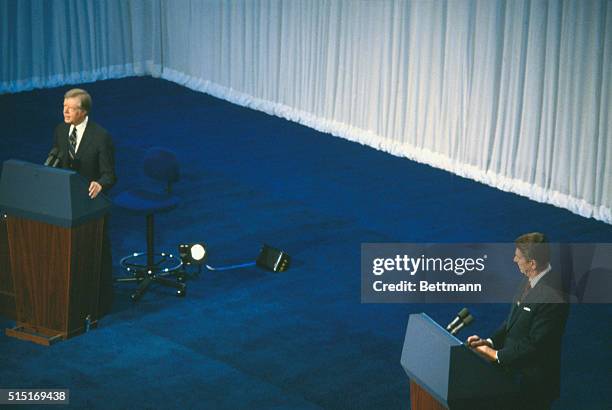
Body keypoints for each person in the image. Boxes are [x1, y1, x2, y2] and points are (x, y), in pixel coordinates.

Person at [467, 232, 569, 410]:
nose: (514, 260)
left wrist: (496, 355)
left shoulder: (554, 295)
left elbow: (536, 344)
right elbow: (513, 320)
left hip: (535, 384)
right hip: (513, 374)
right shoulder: (529, 279)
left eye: (518, 257)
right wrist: (490, 342)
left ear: (532, 263)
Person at [53, 88, 116, 316]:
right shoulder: (61, 131)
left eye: (71, 108)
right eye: (63, 106)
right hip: (67, 202)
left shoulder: (100, 136)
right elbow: (57, 160)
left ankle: (102, 301)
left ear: (84, 111)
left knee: (98, 251)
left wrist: (100, 184)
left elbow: (110, 174)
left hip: (91, 204)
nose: (65, 111)